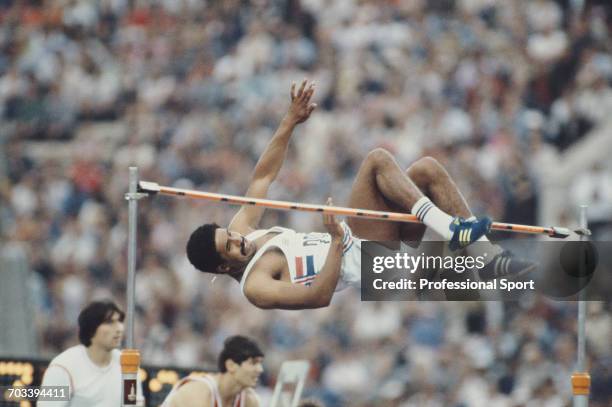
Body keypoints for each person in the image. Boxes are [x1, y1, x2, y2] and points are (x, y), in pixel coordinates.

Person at [186, 80, 533, 310]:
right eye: (229, 247)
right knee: (376, 161)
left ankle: (486, 254)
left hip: (362, 244)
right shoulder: (256, 286)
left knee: (427, 170)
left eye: (230, 234)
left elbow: (262, 177)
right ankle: (457, 233)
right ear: (221, 265)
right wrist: (336, 240)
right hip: (363, 263)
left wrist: (289, 121)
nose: (238, 240)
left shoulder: (244, 231)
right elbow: (319, 297)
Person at [39, 300, 144, 406]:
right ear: (91, 328)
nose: (118, 329)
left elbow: (134, 403)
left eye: (120, 322)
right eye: (109, 323)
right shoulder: (62, 367)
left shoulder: (128, 364)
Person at [162, 335, 264, 407]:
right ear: (231, 365)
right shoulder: (199, 393)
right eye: (253, 363)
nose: (260, 369)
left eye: (260, 363)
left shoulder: (250, 400)